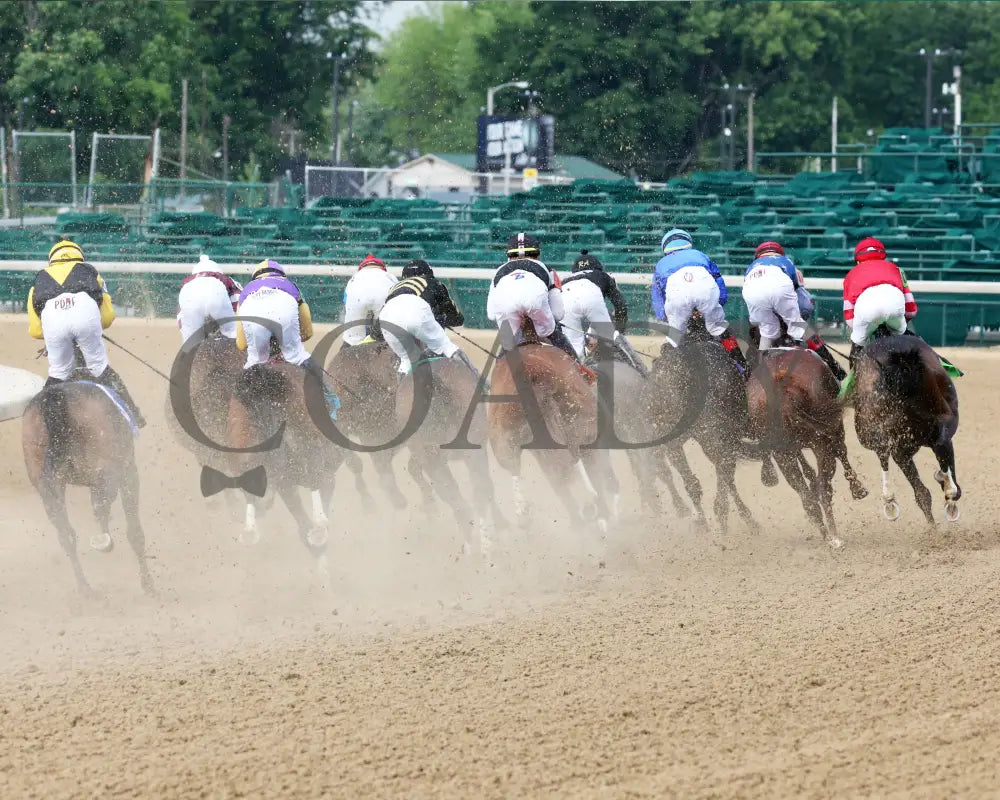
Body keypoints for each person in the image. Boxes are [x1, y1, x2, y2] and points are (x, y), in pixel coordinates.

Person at [28, 240, 146, 427]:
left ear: (51, 261)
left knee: (58, 372)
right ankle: (134, 414)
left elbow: (35, 330)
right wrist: (88, 326)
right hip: (85, 317)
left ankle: (44, 422)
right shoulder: (90, 272)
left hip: (53, 322)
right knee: (99, 367)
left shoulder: (38, 280)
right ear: (80, 257)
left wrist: (58, 330)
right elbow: (107, 318)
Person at [235, 259, 339, 418]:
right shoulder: (290, 286)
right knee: (298, 356)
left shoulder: (245, 292)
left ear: (255, 277)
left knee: (254, 363)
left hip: (253, 317)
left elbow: (241, 344)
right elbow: (307, 332)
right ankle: (331, 403)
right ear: (281, 274)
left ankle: (236, 408)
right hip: (284, 312)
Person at [743, 241, 846, 380]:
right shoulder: (786, 262)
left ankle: (750, 375)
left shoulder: (750, 268)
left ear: (758, 257)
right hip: (782, 293)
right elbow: (805, 305)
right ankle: (834, 368)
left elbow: (754, 318)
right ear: (779, 253)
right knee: (799, 327)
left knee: (766, 332)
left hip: (753, 295)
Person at [651, 228, 748, 373]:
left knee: (674, 338)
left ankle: (662, 374)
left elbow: (658, 301)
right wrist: (716, 305)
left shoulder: (661, 264)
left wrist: (666, 317)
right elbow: (719, 286)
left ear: (666, 248)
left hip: (678, 300)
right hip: (706, 295)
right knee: (720, 329)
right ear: (688, 243)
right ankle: (744, 369)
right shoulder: (701, 255)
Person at [486, 232, 581, 364]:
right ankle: (580, 370)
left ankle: (496, 376)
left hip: (508, 311)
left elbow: (491, 315)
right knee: (554, 332)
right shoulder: (549, 271)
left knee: (507, 343)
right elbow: (558, 314)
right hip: (536, 306)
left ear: (508, 256)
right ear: (538, 254)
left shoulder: (498, 272)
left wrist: (519, 320)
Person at [377, 259, 476, 380]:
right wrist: (442, 318)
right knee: (447, 347)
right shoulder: (433, 282)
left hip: (387, 316)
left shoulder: (394, 287)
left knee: (405, 360)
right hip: (417, 312)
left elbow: (379, 328)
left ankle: (398, 392)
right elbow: (457, 319)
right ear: (428, 273)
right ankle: (477, 380)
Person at [561, 250, 648, 376]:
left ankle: (572, 379)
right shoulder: (602, 275)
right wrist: (619, 331)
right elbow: (621, 306)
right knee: (613, 337)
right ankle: (642, 372)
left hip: (566, 297)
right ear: (598, 267)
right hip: (591, 296)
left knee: (575, 350)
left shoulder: (567, 280)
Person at [176, 254, 242, 344]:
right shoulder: (224, 279)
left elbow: (181, 316)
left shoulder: (187, 284)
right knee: (233, 333)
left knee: (190, 344)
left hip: (189, 298)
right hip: (216, 292)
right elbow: (238, 300)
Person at [341, 253, 397, 346]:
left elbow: (346, 303)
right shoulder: (389, 276)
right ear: (382, 267)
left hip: (357, 298)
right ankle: (396, 358)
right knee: (387, 335)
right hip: (383, 298)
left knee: (352, 338)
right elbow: (399, 297)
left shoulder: (355, 277)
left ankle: (344, 356)